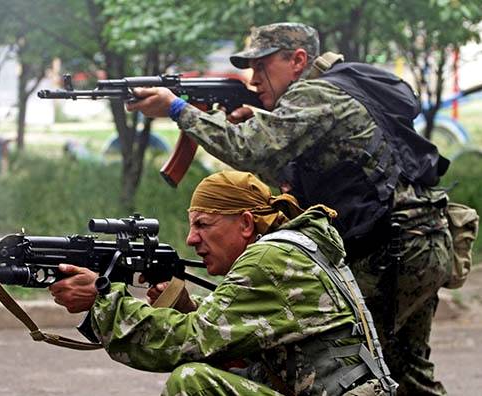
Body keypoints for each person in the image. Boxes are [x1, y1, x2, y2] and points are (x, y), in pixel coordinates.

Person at [124, 23, 453, 395]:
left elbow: (248, 150)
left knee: (353, 370)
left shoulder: (314, 93)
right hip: (419, 241)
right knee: (407, 371)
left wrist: (177, 108)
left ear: (297, 60)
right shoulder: (338, 90)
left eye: (262, 66)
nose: (253, 78)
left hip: (391, 251)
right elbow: (294, 172)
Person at [50, 170, 395, 395]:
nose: (190, 239)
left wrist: (102, 300)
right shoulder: (292, 250)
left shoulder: (268, 260)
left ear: (246, 224)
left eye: (203, 225)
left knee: (192, 383)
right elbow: (253, 328)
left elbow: (185, 343)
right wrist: (189, 308)